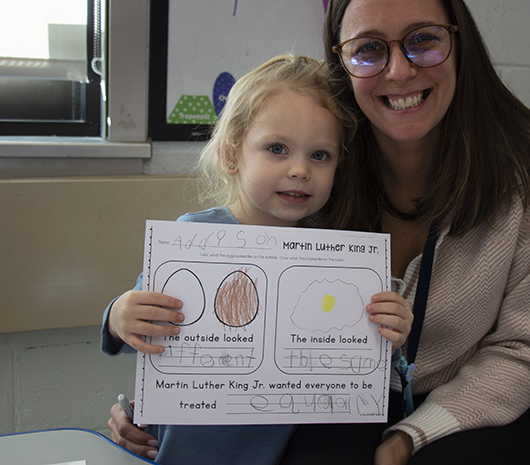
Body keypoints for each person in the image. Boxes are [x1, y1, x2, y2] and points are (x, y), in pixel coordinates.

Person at [276, 0, 530, 465]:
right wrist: (171, 403)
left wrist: (411, 434)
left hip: (480, 396)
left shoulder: (529, 166)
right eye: (368, 49)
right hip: (347, 393)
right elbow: (253, 292)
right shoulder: (317, 157)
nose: (398, 71)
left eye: (423, 40)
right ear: (341, 64)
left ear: (459, 44)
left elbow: (527, 351)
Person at [101, 54, 414, 464]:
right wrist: (118, 316)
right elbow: (136, 330)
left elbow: (353, 365)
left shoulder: (336, 259)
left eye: (320, 155)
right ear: (232, 154)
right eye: (277, 149)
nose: (300, 169)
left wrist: (389, 335)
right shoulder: (192, 237)